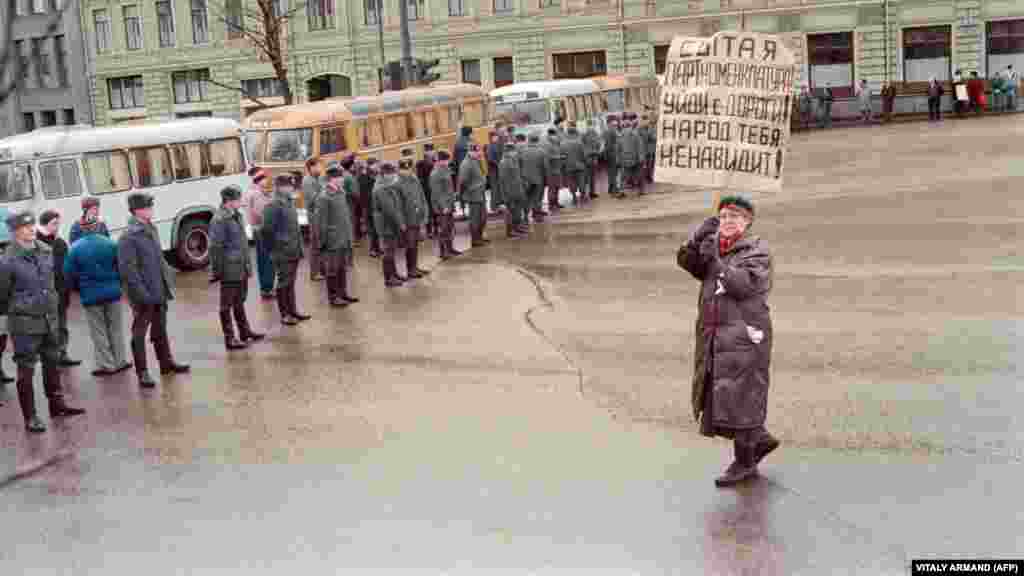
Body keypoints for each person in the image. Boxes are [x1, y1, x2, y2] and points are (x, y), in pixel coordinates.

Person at [676, 195, 778, 487]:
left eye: (734, 217)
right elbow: (689, 263)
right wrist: (696, 241)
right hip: (717, 332)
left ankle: (745, 462)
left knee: (742, 396)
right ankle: (759, 441)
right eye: (722, 217)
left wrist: (717, 262)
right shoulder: (717, 246)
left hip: (745, 335)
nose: (727, 222)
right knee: (725, 393)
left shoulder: (757, 250)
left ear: (747, 222)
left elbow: (743, 284)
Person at [0, 211, 86, 432]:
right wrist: (22, 308)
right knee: (26, 370)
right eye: (24, 227)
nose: (30, 230)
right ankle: (30, 417)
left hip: (49, 319)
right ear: (14, 231)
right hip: (25, 323)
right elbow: (2, 295)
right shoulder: (7, 260)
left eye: (31, 226)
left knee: (52, 363)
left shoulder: (45, 251)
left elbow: (51, 284)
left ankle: (57, 405)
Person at [118, 193, 190, 388]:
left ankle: (166, 363)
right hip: (143, 294)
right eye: (148, 207)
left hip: (158, 288)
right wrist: (142, 295)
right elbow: (128, 271)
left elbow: (158, 260)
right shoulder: (129, 236)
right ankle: (142, 372)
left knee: (160, 329)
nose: (151, 209)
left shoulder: (151, 228)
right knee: (139, 334)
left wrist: (168, 278)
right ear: (137, 210)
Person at [64, 210, 130, 377]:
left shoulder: (75, 249)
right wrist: (117, 284)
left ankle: (107, 365)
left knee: (98, 332)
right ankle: (120, 361)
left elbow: (69, 274)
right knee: (116, 329)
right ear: (97, 226)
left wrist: (78, 289)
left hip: (90, 296)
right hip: (113, 292)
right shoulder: (110, 243)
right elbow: (121, 267)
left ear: (83, 228)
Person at [210, 185, 265, 350]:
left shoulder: (236, 216)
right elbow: (215, 248)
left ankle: (244, 331)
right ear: (229, 201)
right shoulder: (219, 219)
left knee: (239, 301)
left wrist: (247, 265)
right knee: (226, 305)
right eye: (238, 199)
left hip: (240, 265)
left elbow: (241, 243)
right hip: (228, 269)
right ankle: (230, 338)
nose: (240, 202)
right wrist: (218, 271)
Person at [262, 174, 310, 325]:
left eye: (291, 186)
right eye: (289, 186)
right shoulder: (273, 205)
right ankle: (284, 314)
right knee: (283, 283)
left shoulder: (288, 202)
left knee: (290, 282)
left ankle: (293, 310)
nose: (291, 188)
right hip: (282, 251)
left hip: (293, 248)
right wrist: (273, 250)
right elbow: (267, 230)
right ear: (280, 187)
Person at [36, 210, 81, 367]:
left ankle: (62, 353)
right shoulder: (35, 244)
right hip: (46, 294)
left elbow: (67, 268)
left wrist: (69, 286)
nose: (57, 227)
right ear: (44, 224)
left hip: (62, 293)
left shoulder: (60, 243)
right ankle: (51, 357)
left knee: (62, 326)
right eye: (54, 224)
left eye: (58, 224)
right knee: (49, 328)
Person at [316, 161, 359, 306]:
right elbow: (321, 224)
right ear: (332, 179)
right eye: (339, 177)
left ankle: (343, 293)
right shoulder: (324, 197)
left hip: (343, 238)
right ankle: (333, 297)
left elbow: (345, 218)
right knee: (332, 270)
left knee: (342, 268)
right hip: (332, 240)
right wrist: (322, 243)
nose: (342, 179)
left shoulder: (340, 193)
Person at [371, 162, 407, 287]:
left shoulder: (385, 184)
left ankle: (394, 274)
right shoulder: (381, 188)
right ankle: (389, 278)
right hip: (386, 225)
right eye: (392, 174)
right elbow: (389, 209)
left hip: (389, 223)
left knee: (392, 250)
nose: (394, 176)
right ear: (385, 174)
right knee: (388, 252)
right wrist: (401, 223)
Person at [397, 150, 431, 279]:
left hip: (417, 217)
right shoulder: (398, 183)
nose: (407, 172)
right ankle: (410, 269)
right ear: (400, 170)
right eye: (404, 170)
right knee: (410, 245)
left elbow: (421, 196)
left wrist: (424, 212)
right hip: (408, 219)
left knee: (415, 244)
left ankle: (415, 267)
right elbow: (398, 206)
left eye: (409, 169)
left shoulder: (414, 179)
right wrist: (402, 223)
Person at [243, 169, 276, 299]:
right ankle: (267, 289)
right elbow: (262, 213)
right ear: (259, 180)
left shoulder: (252, 192)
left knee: (263, 260)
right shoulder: (256, 194)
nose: (267, 181)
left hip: (257, 229)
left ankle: (266, 288)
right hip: (263, 229)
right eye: (265, 178)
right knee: (267, 261)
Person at [429, 150, 460, 260]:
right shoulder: (436, 173)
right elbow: (437, 192)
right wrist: (444, 206)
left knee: (450, 227)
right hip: (442, 207)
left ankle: (450, 248)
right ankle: (443, 252)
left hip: (449, 204)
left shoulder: (445, 169)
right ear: (442, 160)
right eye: (447, 160)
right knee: (443, 229)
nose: (449, 162)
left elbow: (448, 187)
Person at [458, 144, 488, 247]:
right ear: (471, 152)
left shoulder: (475, 160)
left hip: (480, 193)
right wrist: (463, 194)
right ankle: (475, 239)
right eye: (477, 152)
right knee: (475, 219)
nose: (480, 153)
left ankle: (480, 236)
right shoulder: (466, 164)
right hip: (473, 195)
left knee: (483, 217)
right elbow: (462, 181)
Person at [302, 157, 325, 282]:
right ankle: (314, 272)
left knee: (321, 242)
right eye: (318, 166)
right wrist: (324, 192)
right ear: (311, 167)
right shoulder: (308, 181)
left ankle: (322, 270)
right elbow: (313, 200)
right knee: (315, 244)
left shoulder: (318, 178)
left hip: (321, 214)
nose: (320, 168)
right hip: (314, 216)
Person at [499, 141, 527, 239]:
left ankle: (517, 227)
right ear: (509, 151)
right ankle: (510, 231)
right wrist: (506, 195)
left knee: (517, 212)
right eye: (514, 151)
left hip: (517, 190)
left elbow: (517, 175)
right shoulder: (504, 162)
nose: (516, 152)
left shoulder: (512, 160)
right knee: (511, 212)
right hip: (510, 192)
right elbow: (504, 180)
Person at [520, 132, 548, 224]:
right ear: (537, 140)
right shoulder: (541, 151)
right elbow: (545, 167)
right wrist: (546, 178)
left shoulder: (523, 151)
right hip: (538, 178)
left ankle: (525, 216)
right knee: (537, 198)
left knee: (526, 198)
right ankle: (537, 216)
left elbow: (520, 164)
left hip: (525, 179)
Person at [561, 124, 587, 206]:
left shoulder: (563, 143)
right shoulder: (579, 142)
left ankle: (574, 197)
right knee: (581, 181)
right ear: (575, 133)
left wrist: (564, 165)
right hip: (580, 165)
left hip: (568, 166)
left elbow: (562, 156)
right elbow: (583, 154)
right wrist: (584, 162)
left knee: (571, 182)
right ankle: (583, 196)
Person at [416, 144, 437, 238]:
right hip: (427, 191)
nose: (431, 153)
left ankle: (435, 229)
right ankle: (430, 231)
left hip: (432, 190)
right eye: (430, 151)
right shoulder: (421, 164)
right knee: (429, 212)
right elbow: (420, 178)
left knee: (434, 211)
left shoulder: (434, 162)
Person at [544, 128, 565, 213]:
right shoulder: (548, 145)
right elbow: (548, 157)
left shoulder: (556, 144)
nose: (556, 137)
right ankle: (551, 204)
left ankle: (556, 202)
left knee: (557, 187)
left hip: (557, 169)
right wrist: (559, 157)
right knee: (552, 188)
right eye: (554, 135)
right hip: (551, 170)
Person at [581, 122, 601, 199]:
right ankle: (590, 192)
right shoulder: (593, 134)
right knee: (589, 176)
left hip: (590, 157)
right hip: (591, 157)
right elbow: (598, 144)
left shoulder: (585, 134)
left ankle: (589, 192)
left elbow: (598, 143)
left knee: (589, 176)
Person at [604, 115, 620, 197]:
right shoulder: (611, 131)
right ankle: (614, 189)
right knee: (613, 173)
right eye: (614, 121)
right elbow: (609, 145)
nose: (615, 123)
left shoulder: (609, 130)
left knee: (611, 172)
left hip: (611, 154)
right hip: (612, 154)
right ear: (610, 123)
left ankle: (611, 188)